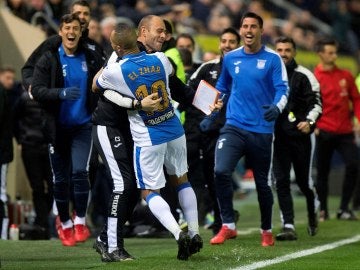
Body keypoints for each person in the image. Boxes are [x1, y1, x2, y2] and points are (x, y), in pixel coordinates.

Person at [95, 22, 203, 261]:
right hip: (171, 128)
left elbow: (97, 85)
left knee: (146, 191)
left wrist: (135, 104)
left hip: (148, 134)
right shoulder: (163, 60)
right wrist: (205, 102)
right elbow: (176, 85)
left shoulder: (118, 68)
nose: (163, 37)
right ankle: (194, 231)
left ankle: (178, 233)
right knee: (180, 181)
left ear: (117, 47)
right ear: (140, 35)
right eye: (159, 32)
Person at [201, 12, 289, 247]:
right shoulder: (231, 59)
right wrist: (212, 112)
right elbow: (222, 87)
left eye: (253, 27)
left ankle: (267, 230)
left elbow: (283, 89)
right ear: (241, 30)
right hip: (234, 125)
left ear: (261, 31)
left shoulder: (272, 59)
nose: (248, 30)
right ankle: (228, 225)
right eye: (245, 26)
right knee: (220, 171)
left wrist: (277, 107)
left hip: (262, 129)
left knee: (262, 183)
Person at [31, 13, 104, 246]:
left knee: (80, 173)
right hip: (57, 129)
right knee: (60, 180)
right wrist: (60, 93)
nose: (71, 32)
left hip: (83, 126)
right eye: (67, 28)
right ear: (60, 32)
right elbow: (37, 90)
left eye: (75, 28)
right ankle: (65, 224)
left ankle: (80, 220)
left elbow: (103, 81)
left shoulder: (90, 57)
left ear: (80, 32)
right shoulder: (49, 58)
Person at [183, 27, 241, 234]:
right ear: (219, 44)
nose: (227, 45)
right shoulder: (207, 68)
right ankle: (222, 219)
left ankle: (227, 219)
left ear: (238, 44)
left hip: (236, 130)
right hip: (210, 133)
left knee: (222, 174)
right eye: (224, 41)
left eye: (232, 41)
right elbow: (188, 91)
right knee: (212, 177)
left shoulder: (244, 68)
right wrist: (205, 115)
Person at [273, 36, 322, 241]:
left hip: (301, 138)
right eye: (280, 50)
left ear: (294, 52)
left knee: (304, 183)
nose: (283, 53)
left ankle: (313, 210)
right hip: (278, 138)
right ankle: (288, 225)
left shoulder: (305, 76)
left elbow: (317, 104)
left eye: (287, 50)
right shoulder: (270, 75)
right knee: (282, 181)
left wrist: (309, 122)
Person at [314, 37, 360, 221]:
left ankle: (343, 209)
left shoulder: (346, 75)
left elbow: (356, 99)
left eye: (335, 52)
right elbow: (308, 103)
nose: (334, 56)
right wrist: (314, 124)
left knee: (353, 165)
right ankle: (323, 209)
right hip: (323, 130)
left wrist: (358, 118)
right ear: (321, 54)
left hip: (345, 131)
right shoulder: (314, 77)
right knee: (322, 171)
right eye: (330, 52)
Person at [22, 0, 105, 93]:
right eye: (78, 13)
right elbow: (29, 69)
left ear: (90, 17)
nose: (82, 17)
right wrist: (32, 86)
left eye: (86, 14)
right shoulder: (54, 42)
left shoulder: (96, 48)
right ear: (70, 15)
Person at [14, 87, 54, 239]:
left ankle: (42, 220)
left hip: (48, 146)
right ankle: (42, 223)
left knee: (52, 185)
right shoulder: (24, 99)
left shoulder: (49, 97)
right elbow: (13, 120)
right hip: (30, 146)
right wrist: (20, 140)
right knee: (37, 187)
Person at [0, 66, 16, 239]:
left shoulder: (5, 95)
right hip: (4, 151)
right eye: (7, 78)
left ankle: (4, 234)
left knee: (2, 192)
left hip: (2, 152)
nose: (10, 82)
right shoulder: (7, 95)